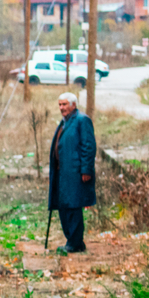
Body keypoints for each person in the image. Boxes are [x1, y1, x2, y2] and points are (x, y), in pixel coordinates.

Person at [47, 92, 96, 253]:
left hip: (75, 172)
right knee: (63, 206)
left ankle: (75, 243)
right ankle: (73, 241)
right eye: (60, 104)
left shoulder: (82, 120)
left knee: (73, 206)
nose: (61, 108)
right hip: (63, 173)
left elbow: (88, 146)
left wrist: (86, 170)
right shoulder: (65, 122)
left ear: (73, 105)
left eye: (64, 104)